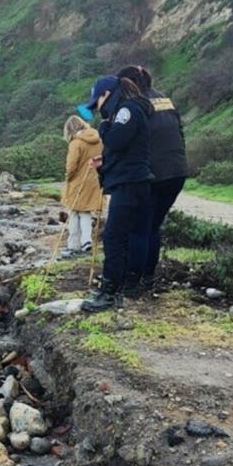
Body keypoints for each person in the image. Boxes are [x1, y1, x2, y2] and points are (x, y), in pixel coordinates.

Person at [79, 74, 154, 312]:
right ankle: (117, 288)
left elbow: (116, 141)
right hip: (134, 181)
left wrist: (104, 127)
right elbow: (124, 148)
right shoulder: (128, 109)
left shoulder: (127, 111)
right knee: (122, 237)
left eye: (97, 103)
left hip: (130, 183)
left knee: (113, 238)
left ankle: (109, 293)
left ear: (106, 95)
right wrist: (106, 161)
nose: (98, 109)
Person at [117, 65, 189, 297]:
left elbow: (127, 141)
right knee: (152, 228)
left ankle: (131, 284)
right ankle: (148, 278)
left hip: (151, 174)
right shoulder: (165, 101)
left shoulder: (136, 105)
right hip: (176, 171)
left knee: (138, 228)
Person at [60, 115, 104, 255]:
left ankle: (73, 245)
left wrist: (68, 178)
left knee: (73, 212)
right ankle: (87, 241)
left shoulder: (76, 143)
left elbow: (71, 166)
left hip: (78, 182)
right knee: (85, 211)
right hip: (95, 180)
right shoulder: (98, 139)